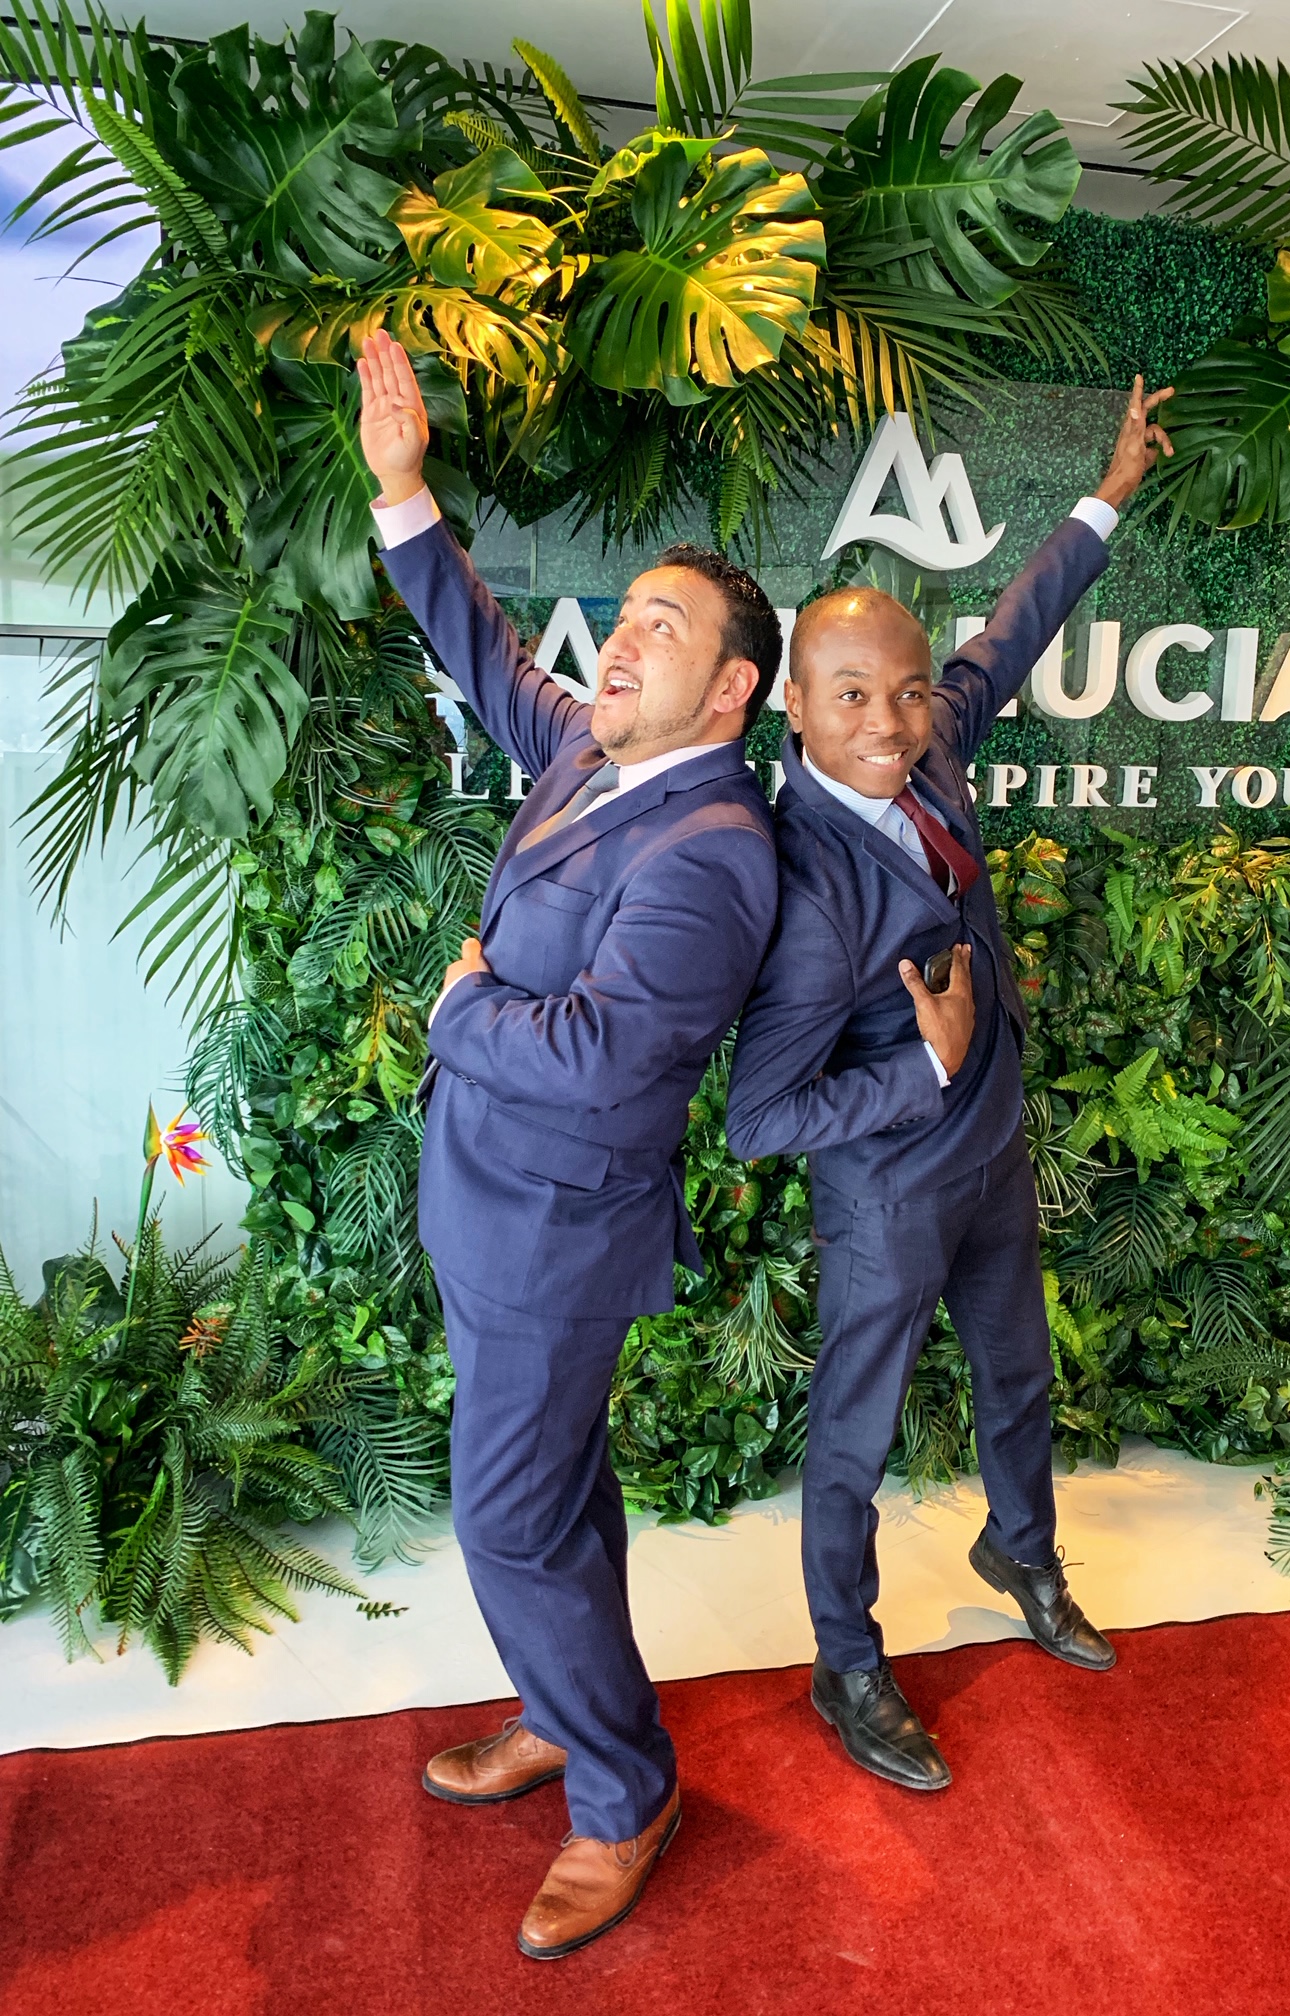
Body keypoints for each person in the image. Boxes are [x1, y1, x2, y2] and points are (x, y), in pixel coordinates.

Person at [356, 330, 781, 1955]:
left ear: (732, 691)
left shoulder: (713, 848)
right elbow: (486, 652)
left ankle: (622, 1794)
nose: (624, 640)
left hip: (554, 1235)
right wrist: (406, 493)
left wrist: (461, 1004)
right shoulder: (595, 760)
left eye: (667, 630)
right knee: (561, 1497)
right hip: (491, 1211)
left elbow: (605, 1062)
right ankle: (562, 1707)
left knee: (509, 1521)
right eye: (628, 616)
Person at [724, 378, 1174, 1792]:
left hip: (990, 1158)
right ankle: (845, 1662)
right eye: (854, 696)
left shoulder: (934, 752)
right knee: (854, 1439)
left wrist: (1107, 494)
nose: (892, 721)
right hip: (887, 1193)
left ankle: (1021, 1553)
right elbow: (758, 1118)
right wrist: (922, 1064)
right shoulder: (796, 886)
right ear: (796, 704)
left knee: (1018, 1373)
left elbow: (1012, 631)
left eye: (908, 692)